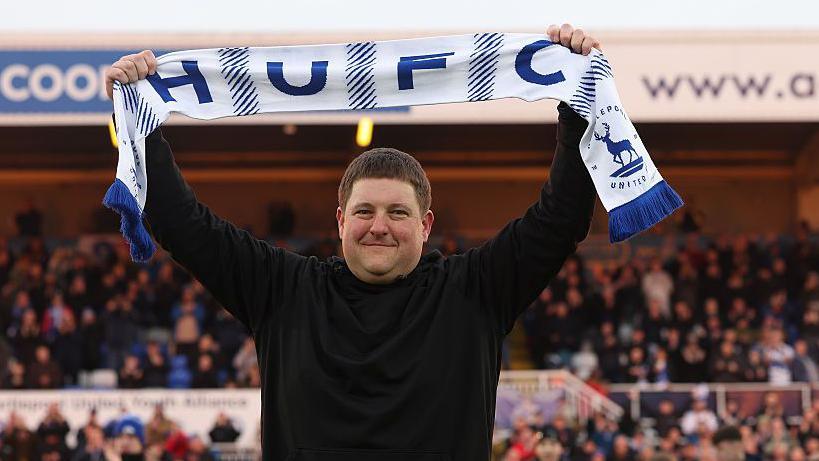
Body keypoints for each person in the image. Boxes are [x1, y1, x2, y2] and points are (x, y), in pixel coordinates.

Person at [104, 24, 600, 461]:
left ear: (426, 225)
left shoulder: (475, 290)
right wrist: (140, 123)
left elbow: (561, 218)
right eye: (364, 211)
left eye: (397, 213)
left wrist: (577, 103)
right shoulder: (283, 290)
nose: (378, 226)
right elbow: (182, 223)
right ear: (341, 221)